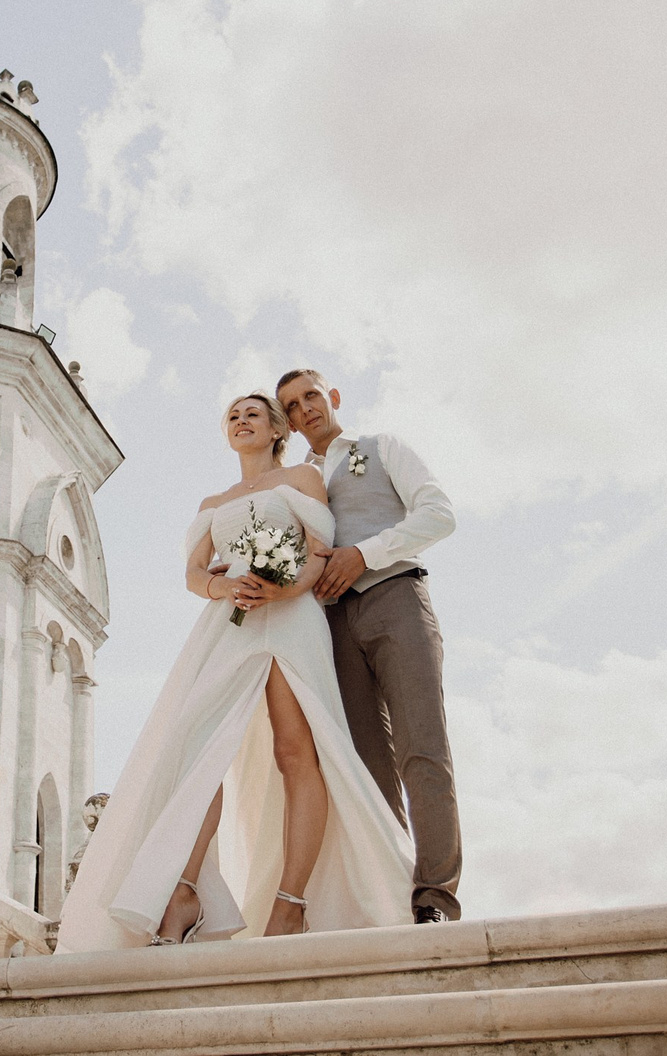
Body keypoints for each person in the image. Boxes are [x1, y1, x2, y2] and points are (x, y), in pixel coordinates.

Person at [58, 394, 413, 952]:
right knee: (197, 749)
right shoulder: (213, 501)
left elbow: (319, 552)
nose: (241, 421)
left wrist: (282, 590)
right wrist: (223, 586)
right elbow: (194, 573)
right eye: (233, 416)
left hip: (292, 619)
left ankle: (290, 904)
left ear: (276, 429)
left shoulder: (301, 478)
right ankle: (183, 892)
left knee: (296, 752)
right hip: (229, 623)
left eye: (253, 414)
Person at [276, 368, 461, 923]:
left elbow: (439, 514)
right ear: (288, 423)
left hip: (396, 598)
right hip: (328, 622)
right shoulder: (294, 482)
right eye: (292, 406)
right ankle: (393, 892)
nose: (305, 408)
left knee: (422, 747)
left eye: (311, 396)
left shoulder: (382, 448)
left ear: (332, 397)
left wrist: (366, 553)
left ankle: (434, 896)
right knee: (363, 764)